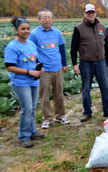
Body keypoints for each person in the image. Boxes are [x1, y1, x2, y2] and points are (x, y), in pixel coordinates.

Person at [4, 17, 45, 148]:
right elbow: (9, 66)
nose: (26, 31)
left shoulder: (31, 44)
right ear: (16, 30)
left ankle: (32, 132)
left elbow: (35, 60)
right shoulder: (12, 46)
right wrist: (28, 72)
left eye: (28, 28)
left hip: (33, 81)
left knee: (32, 108)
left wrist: (39, 66)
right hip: (21, 82)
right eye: (23, 29)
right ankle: (23, 136)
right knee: (26, 108)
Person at [71, 4, 108, 122]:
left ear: (95, 13)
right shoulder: (78, 28)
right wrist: (75, 63)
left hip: (100, 61)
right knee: (86, 89)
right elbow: (73, 47)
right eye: (88, 13)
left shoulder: (101, 27)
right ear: (84, 14)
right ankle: (87, 112)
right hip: (86, 63)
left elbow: (107, 44)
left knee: (105, 87)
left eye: (92, 12)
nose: (90, 15)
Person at [29, 9, 70, 129]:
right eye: (45, 18)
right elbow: (31, 51)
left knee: (59, 94)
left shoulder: (57, 32)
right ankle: (47, 118)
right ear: (39, 20)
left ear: (52, 19)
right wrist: (37, 65)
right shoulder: (34, 34)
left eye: (49, 17)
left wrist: (64, 64)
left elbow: (62, 49)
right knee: (44, 95)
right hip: (44, 70)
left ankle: (60, 116)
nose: (47, 20)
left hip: (57, 68)